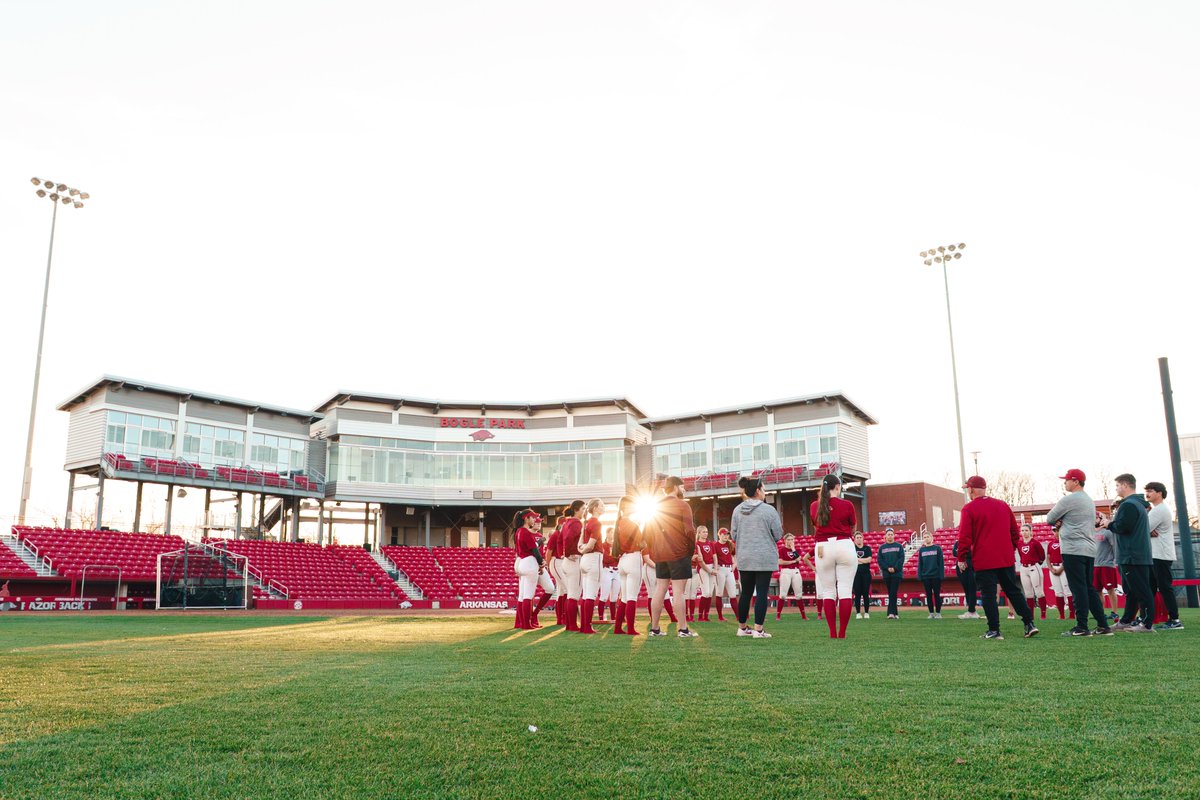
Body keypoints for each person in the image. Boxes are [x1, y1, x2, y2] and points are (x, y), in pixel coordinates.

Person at [955, 475, 1038, 640]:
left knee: (988, 594)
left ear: (971, 489)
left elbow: (964, 537)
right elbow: (1015, 532)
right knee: (1013, 591)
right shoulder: (1002, 505)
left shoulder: (968, 508)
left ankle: (994, 630)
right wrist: (1009, 550)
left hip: (984, 559)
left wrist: (961, 557)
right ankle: (1029, 623)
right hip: (1005, 557)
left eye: (968, 489)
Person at [1046, 468, 1110, 636]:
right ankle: (1103, 625)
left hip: (1073, 548)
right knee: (1088, 588)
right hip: (1088, 548)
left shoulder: (1069, 499)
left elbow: (1050, 518)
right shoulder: (1088, 500)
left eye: (1067, 480)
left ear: (1075, 481)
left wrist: (1060, 521)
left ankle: (1082, 626)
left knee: (1078, 588)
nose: (1065, 483)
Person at [643, 476, 699, 638]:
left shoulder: (656, 506)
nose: (683, 489)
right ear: (675, 487)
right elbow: (690, 530)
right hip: (679, 552)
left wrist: (655, 550)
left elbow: (647, 532)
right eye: (682, 486)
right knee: (679, 592)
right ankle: (683, 629)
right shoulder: (682, 504)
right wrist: (690, 550)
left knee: (659, 589)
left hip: (661, 553)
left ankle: (655, 629)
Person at [730, 476, 783, 638]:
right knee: (761, 592)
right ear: (758, 491)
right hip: (763, 556)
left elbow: (733, 535)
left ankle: (742, 628)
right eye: (764, 489)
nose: (765, 492)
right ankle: (758, 630)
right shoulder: (769, 510)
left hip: (744, 556)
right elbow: (778, 534)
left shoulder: (737, 510)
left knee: (745, 593)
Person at [1100, 474, 1154, 632]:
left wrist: (1109, 524)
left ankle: (1147, 624)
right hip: (1134, 554)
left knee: (1141, 590)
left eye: (1117, 485)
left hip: (1132, 555)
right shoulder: (1136, 504)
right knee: (1131, 591)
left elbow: (1123, 527)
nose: (1116, 489)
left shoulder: (1129, 504)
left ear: (1125, 485)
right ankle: (1126, 621)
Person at [809, 473, 858, 639]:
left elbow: (815, 526)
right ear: (837, 487)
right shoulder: (847, 504)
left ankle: (832, 632)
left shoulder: (814, 506)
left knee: (828, 591)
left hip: (823, 546)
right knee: (844, 591)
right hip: (844, 544)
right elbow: (853, 526)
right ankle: (842, 632)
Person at [1145, 482, 1182, 630]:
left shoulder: (1159, 510)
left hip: (1160, 554)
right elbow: (1145, 530)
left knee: (1164, 587)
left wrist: (1146, 531)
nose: (1147, 493)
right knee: (1151, 588)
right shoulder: (1157, 510)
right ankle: (1146, 619)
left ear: (1159, 493)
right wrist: (1148, 532)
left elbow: (1142, 529)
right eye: (1146, 491)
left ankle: (1175, 620)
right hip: (1157, 554)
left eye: (1150, 491)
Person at [612, 495, 643, 636]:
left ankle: (618, 627)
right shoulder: (631, 523)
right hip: (633, 558)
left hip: (623, 560)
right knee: (631, 597)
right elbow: (642, 543)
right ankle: (630, 628)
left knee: (624, 597)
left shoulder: (619, 522)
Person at [577, 498, 606, 634]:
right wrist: (584, 550)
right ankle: (587, 627)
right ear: (595, 508)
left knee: (586, 595)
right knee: (590, 595)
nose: (603, 507)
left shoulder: (586, 522)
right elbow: (590, 545)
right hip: (594, 558)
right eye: (601, 505)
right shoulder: (596, 523)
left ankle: (584, 626)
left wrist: (582, 551)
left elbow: (580, 545)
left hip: (585, 560)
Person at [512, 509, 544, 630]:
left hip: (522, 562)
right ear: (526, 518)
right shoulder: (525, 532)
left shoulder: (518, 531)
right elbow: (534, 550)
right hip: (529, 562)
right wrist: (541, 563)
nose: (534, 520)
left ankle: (520, 623)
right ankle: (526, 624)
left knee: (522, 595)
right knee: (528, 596)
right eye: (532, 517)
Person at [558, 500, 585, 632]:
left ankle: (570, 624)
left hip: (566, 562)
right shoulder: (576, 522)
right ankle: (572, 625)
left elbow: (559, 540)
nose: (584, 511)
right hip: (574, 560)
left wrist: (564, 554)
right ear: (576, 509)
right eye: (583, 508)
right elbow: (568, 538)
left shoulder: (566, 523)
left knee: (570, 595)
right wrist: (568, 553)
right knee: (574, 595)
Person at [529, 513, 555, 627]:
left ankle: (535, 613)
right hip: (530, 565)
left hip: (540, 566)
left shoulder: (539, 535)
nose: (539, 523)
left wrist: (542, 562)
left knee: (550, 588)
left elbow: (540, 552)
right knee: (529, 594)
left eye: (540, 522)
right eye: (537, 521)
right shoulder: (527, 533)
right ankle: (527, 619)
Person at [1015, 524, 1047, 620]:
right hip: (1023, 568)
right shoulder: (1019, 544)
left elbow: (1042, 556)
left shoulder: (1035, 543)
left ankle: (1043, 614)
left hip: (1034, 567)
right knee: (1028, 594)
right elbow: (1021, 555)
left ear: (1030, 531)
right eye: (1022, 530)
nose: (1024, 532)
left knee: (1039, 592)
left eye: (1026, 530)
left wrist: (1036, 563)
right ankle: (1031, 615)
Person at [1094, 517, 1121, 622]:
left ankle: (1114, 612)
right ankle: (1101, 613)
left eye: (1096, 517)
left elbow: (1115, 547)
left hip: (1107, 565)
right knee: (1097, 591)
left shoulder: (1108, 532)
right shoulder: (1091, 532)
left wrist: (1113, 561)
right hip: (1095, 565)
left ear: (1101, 519)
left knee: (1110, 589)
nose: (1094, 519)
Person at [776, 533, 806, 622]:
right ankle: (778, 615)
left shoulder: (797, 549)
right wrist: (793, 561)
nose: (790, 541)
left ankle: (803, 615)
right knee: (783, 594)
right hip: (786, 571)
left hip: (796, 571)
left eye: (792, 539)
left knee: (799, 594)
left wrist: (793, 549)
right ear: (785, 541)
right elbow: (780, 562)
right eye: (788, 539)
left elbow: (798, 559)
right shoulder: (781, 550)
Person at [877, 528, 905, 620]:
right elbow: (880, 560)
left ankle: (891, 613)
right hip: (887, 574)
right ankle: (895, 613)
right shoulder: (882, 548)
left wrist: (895, 568)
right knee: (891, 593)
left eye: (891, 534)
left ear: (894, 536)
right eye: (888, 534)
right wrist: (887, 568)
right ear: (885, 536)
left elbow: (901, 559)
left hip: (897, 574)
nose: (890, 536)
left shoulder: (899, 546)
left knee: (892, 592)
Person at [916, 527, 945, 619]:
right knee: (928, 595)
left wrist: (941, 575)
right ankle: (931, 613)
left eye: (927, 537)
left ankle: (938, 613)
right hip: (926, 576)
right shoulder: (921, 550)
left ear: (931, 538)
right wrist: (920, 575)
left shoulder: (937, 548)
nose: (926, 538)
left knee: (937, 595)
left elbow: (941, 563)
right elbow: (920, 563)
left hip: (936, 576)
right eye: (924, 537)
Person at [693, 526, 719, 622]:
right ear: (699, 533)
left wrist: (715, 569)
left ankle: (706, 616)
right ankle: (700, 616)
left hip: (711, 568)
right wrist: (709, 570)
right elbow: (700, 561)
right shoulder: (697, 544)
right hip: (703, 569)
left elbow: (715, 557)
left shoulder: (710, 543)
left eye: (707, 532)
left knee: (710, 593)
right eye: (703, 532)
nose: (706, 533)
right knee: (706, 593)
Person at [713, 528, 738, 621]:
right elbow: (712, 557)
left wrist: (734, 565)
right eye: (724, 534)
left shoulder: (730, 544)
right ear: (719, 535)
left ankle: (738, 616)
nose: (726, 536)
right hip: (720, 569)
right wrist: (715, 567)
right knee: (719, 593)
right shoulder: (715, 545)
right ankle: (720, 616)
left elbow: (734, 556)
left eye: (727, 534)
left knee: (733, 594)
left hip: (729, 569)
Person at [545, 517, 566, 626]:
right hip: (556, 561)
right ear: (560, 525)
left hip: (562, 563)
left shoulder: (564, 535)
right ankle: (564, 617)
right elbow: (548, 552)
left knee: (561, 591)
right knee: (567, 588)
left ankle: (560, 619)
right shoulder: (556, 534)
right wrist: (548, 565)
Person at [597, 529, 620, 624]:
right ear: (607, 533)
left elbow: (620, 558)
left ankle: (613, 617)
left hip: (617, 571)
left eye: (613, 532)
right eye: (611, 532)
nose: (612, 534)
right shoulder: (603, 545)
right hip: (607, 570)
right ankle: (601, 617)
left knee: (614, 597)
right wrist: (615, 557)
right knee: (604, 596)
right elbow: (606, 559)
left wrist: (615, 557)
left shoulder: (617, 545)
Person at [952, 537, 979, 619]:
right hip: (961, 567)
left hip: (972, 567)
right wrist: (964, 553)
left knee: (972, 589)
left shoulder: (974, 541)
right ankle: (970, 610)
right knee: (966, 589)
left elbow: (973, 553)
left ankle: (972, 610)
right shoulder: (958, 542)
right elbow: (954, 552)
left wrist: (963, 554)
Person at [1045, 535, 1070, 621]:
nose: (1056, 532)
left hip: (1064, 567)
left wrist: (1061, 569)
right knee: (1058, 592)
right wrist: (1051, 569)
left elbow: (1067, 557)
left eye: (1057, 530)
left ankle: (1072, 615)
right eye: (1054, 530)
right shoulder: (1050, 543)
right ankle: (1061, 615)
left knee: (1068, 591)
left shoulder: (1065, 542)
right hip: (1053, 567)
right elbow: (1048, 558)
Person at [852, 532, 873, 619]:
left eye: (860, 537)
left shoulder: (867, 548)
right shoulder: (852, 548)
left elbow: (869, 560)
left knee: (865, 593)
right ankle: (858, 613)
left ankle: (866, 612)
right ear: (854, 539)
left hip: (866, 574)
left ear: (863, 539)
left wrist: (857, 560)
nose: (859, 539)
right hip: (856, 574)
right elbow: (851, 560)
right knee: (857, 594)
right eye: (857, 537)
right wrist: (863, 560)